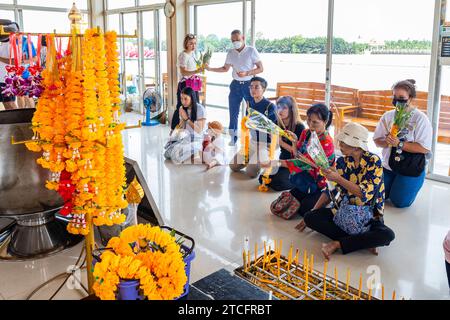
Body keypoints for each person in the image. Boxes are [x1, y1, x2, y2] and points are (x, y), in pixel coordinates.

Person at [298, 122, 395, 261]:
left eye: (344, 143)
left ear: (356, 147)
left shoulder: (373, 161)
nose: (340, 145)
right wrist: (313, 211)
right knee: (309, 217)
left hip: (368, 215)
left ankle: (339, 243)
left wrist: (338, 178)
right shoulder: (343, 161)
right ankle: (361, 242)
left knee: (387, 235)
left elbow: (363, 194)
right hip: (343, 211)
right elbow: (330, 190)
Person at [373, 79, 432, 208]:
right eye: (394, 97)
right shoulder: (388, 116)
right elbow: (377, 140)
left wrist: (399, 144)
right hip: (389, 166)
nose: (397, 100)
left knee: (399, 202)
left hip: (410, 167)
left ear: (410, 98)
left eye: (401, 97)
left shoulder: (420, 119)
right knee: (377, 196)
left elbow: (425, 148)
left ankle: (417, 179)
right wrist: (387, 142)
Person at [275, 103, 335, 217]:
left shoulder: (326, 143)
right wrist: (294, 142)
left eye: (315, 122)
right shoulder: (306, 132)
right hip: (305, 179)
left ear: (325, 122)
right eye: (308, 120)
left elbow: (303, 163)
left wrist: (275, 163)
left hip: (319, 185)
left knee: (304, 210)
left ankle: (325, 199)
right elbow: (297, 156)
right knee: (287, 202)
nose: (310, 125)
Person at [206, 29, 263, 145]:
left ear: (243, 38)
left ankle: (251, 139)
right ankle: (233, 139)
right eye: (233, 40)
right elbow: (225, 69)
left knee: (251, 113)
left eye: (237, 39)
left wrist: (247, 73)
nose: (235, 42)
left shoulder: (251, 51)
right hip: (235, 85)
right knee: (233, 113)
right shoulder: (231, 53)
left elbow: (261, 68)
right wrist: (210, 68)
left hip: (249, 86)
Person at [229, 76, 277, 178]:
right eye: (251, 87)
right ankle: (252, 159)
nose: (252, 90)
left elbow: (274, 131)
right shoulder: (249, 104)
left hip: (265, 144)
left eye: (256, 87)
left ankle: (260, 160)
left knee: (250, 173)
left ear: (263, 89)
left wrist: (270, 151)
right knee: (233, 166)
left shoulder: (270, 106)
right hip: (253, 142)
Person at [258, 96, 305, 191]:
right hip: (282, 161)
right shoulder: (277, 123)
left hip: (295, 163)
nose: (280, 110)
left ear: (291, 109)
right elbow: (274, 147)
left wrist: (281, 142)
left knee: (279, 183)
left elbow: (299, 154)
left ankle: (299, 181)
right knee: (262, 178)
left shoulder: (300, 127)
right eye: (278, 107)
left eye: (284, 107)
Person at [164, 86, 206, 164]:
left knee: (178, 157)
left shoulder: (200, 109)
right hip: (186, 138)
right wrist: (174, 132)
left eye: (186, 99)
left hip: (196, 139)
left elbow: (199, 130)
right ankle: (194, 155)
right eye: (181, 99)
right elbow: (181, 125)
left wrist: (187, 119)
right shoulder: (182, 108)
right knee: (167, 154)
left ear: (192, 98)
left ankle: (198, 154)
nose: (183, 101)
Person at [170, 33, 203, 131]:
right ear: (186, 44)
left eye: (195, 43)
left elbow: (192, 68)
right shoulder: (183, 55)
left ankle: (193, 129)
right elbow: (183, 71)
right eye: (191, 43)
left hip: (193, 84)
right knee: (180, 106)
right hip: (184, 85)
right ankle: (173, 130)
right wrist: (196, 71)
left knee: (195, 105)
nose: (194, 46)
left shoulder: (192, 54)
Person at [0, 27, 17, 110]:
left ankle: (18, 120)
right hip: (1, 78)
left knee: (10, 102)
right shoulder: (2, 45)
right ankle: (12, 121)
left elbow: (14, 61)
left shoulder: (11, 45)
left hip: (7, 79)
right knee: (5, 102)